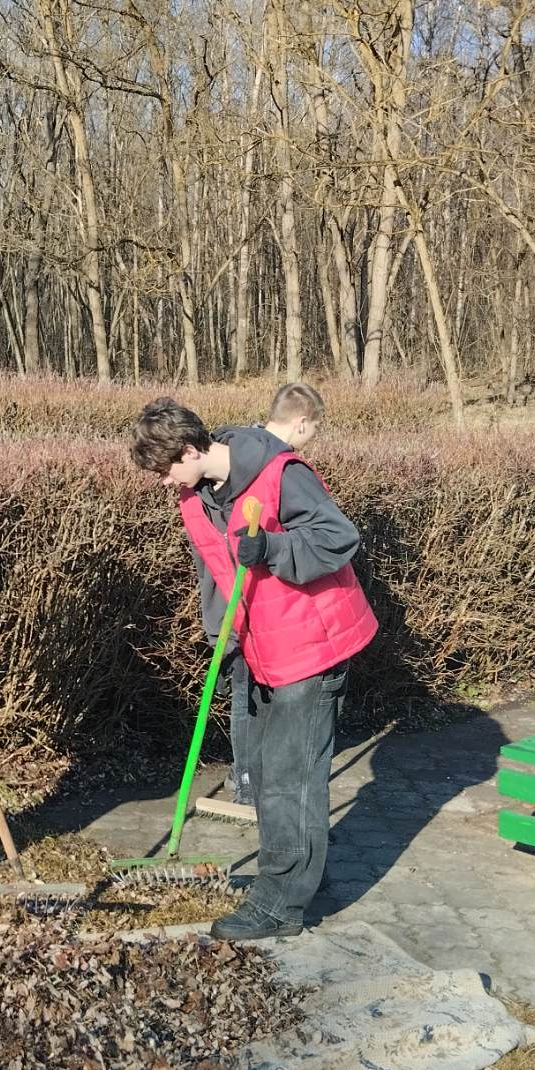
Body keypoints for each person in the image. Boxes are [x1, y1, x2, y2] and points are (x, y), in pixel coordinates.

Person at [129, 383, 377, 940]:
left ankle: (280, 905)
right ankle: (291, 874)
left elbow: (339, 538)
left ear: (189, 450)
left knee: (291, 778)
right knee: (262, 772)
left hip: (311, 644)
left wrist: (273, 549)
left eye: (165, 470)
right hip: (260, 646)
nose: (163, 482)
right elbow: (215, 575)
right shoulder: (195, 499)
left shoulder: (281, 475)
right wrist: (222, 643)